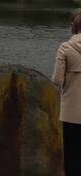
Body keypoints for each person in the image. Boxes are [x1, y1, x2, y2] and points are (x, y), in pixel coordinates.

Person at [54, 9, 81, 176]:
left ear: (74, 26)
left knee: (72, 156)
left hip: (72, 112)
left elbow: (58, 80)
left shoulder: (65, 48)